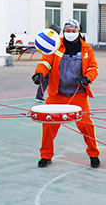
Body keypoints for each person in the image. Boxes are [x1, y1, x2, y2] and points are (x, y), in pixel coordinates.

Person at [32, 18, 100, 168]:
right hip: (57, 95)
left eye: (73, 31)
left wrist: (88, 78)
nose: (70, 33)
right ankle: (46, 156)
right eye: (67, 31)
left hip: (78, 94)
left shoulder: (86, 49)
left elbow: (93, 68)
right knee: (48, 127)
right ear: (63, 31)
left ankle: (94, 154)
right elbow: (45, 62)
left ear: (79, 32)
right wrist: (39, 73)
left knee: (86, 125)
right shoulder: (55, 45)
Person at [34, 24, 60, 102]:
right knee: (45, 79)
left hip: (51, 63)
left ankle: (40, 95)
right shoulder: (52, 40)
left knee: (46, 80)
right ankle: (39, 96)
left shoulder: (50, 39)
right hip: (50, 64)